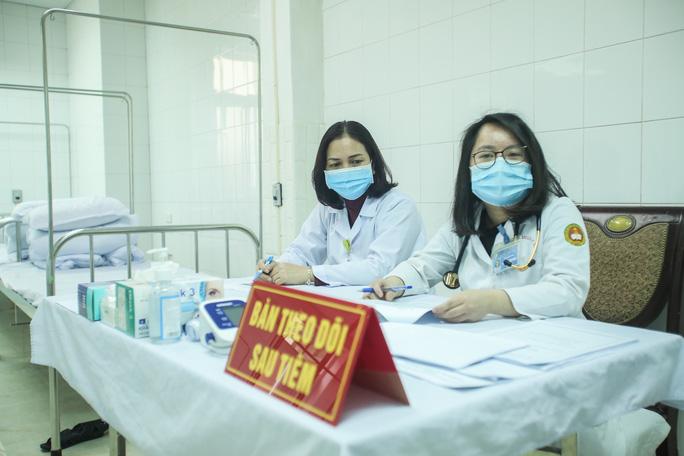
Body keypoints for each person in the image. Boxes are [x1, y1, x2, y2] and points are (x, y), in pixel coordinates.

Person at [369, 112, 590, 321]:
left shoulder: (557, 212)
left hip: (553, 336)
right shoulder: (466, 222)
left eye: (513, 154)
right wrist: (395, 281)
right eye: (486, 156)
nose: (500, 165)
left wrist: (492, 301)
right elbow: (422, 266)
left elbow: (568, 290)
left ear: (531, 162)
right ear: (469, 167)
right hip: (485, 336)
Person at [256, 120, 426, 286]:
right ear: (325, 170)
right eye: (335, 164)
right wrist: (276, 267)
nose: (346, 170)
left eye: (356, 161)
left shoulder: (398, 206)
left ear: (373, 164)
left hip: (397, 303)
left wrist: (310, 274)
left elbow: (379, 269)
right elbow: (302, 251)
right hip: (349, 301)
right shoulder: (328, 208)